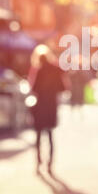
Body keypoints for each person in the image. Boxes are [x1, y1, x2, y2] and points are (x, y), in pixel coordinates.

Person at [28, 45, 66, 176]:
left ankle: (38, 163)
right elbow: (63, 88)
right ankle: (50, 164)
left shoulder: (38, 70)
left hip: (40, 107)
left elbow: (33, 89)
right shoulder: (56, 70)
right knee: (50, 136)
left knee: (38, 136)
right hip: (51, 107)